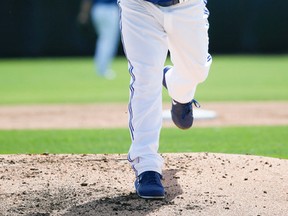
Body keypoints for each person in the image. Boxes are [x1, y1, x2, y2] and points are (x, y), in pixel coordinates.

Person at [118, 0, 212, 199]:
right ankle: (147, 166)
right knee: (145, 78)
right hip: (139, 4)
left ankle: (176, 85)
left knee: (197, 70)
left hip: (188, 4)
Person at [78, 0, 120, 79]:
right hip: (110, 10)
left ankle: (101, 68)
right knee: (108, 41)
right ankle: (102, 70)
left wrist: (84, 13)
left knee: (103, 39)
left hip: (97, 10)